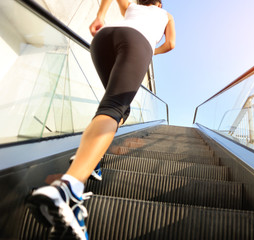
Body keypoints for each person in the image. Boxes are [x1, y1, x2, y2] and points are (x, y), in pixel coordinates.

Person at [26, 0, 176, 239]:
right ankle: (68, 190)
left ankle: (92, 157)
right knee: (114, 108)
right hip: (136, 43)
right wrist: (151, 50)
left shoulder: (132, 8)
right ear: (158, 3)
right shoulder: (166, 15)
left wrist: (100, 16)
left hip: (104, 38)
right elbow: (170, 44)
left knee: (116, 110)